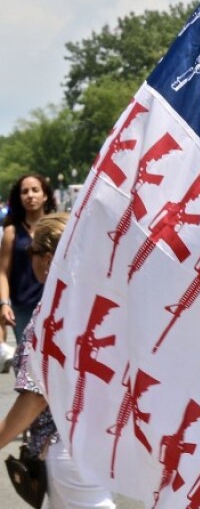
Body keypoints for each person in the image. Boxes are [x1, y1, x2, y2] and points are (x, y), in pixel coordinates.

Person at [0, 212, 116, 508]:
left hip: (65, 443)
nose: (30, 258)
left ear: (51, 258)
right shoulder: (97, 305)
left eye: (33, 250)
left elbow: (37, 396)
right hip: (98, 439)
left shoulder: (52, 317)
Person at [0, 174, 57, 347]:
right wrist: (4, 304)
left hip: (53, 304)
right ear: (19, 198)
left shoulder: (56, 228)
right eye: (25, 192)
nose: (30, 195)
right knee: (26, 361)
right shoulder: (12, 231)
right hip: (22, 308)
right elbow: (3, 272)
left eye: (35, 190)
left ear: (45, 195)